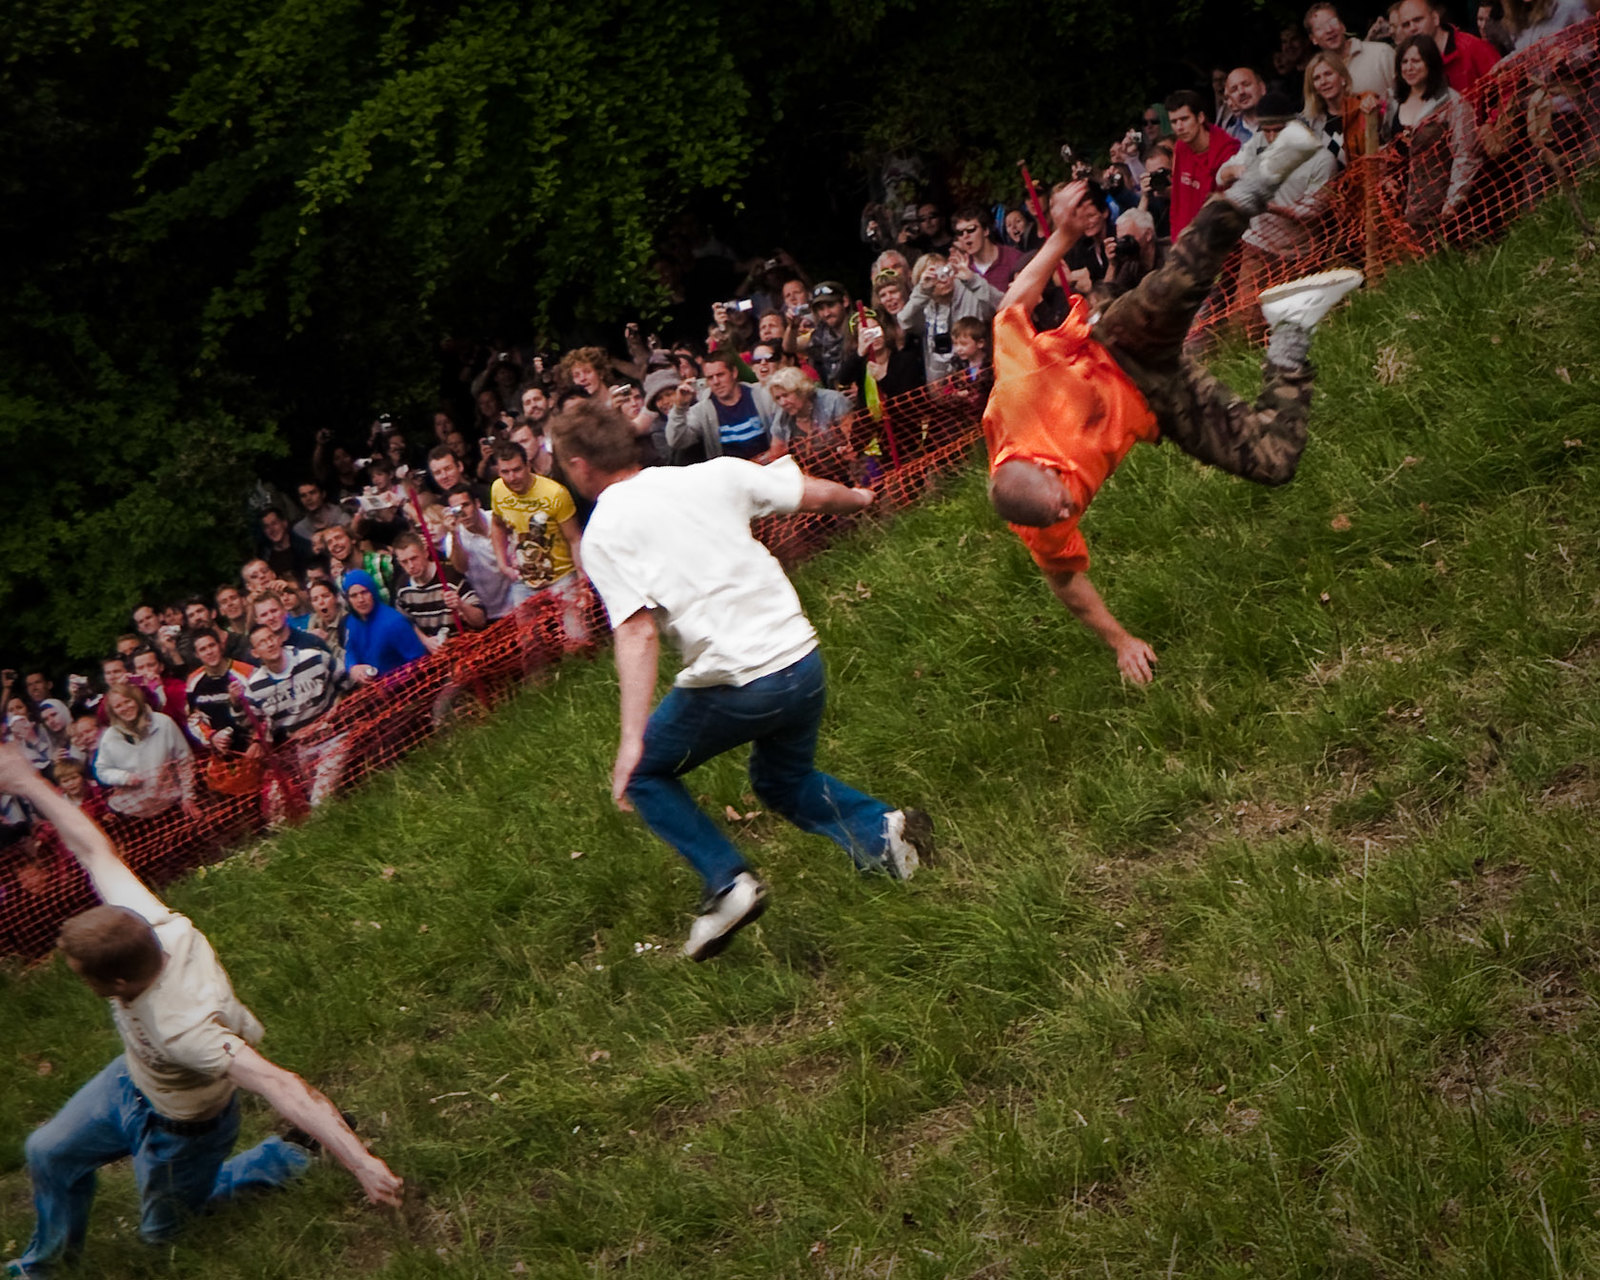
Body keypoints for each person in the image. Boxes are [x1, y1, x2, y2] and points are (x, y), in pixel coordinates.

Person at [548, 400, 935, 961]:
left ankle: (728, 884)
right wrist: (862, 497)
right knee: (781, 779)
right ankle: (883, 835)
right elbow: (808, 492)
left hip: (741, 682)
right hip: (803, 662)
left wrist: (631, 740)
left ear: (579, 466)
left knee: (646, 773)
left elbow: (637, 634)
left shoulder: (603, 531)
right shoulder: (712, 474)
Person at [0, 746, 400, 1279]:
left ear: (116, 983)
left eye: (78, 973)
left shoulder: (185, 1029)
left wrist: (362, 1164)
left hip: (183, 1126)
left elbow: (280, 1085)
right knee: (46, 1152)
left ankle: (287, 1155)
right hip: (130, 1081)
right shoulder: (146, 923)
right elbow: (95, 850)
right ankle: (42, 1268)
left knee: (164, 1234)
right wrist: (27, 782)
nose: (73, 977)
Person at [983, 127, 1362, 686]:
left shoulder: (1020, 393)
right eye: (1064, 515)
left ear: (1044, 467)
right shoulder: (1040, 524)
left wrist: (1062, 234)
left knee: (1188, 271)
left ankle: (1269, 168)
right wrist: (1120, 641)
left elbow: (1014, 301)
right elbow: (1067, 585)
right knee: (1273, 461)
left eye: (1064, 500)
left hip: (1117, 344)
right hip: (1158, 407)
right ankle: (1292, 325)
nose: (1071, 513)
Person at [1381, 35, 1483, 247]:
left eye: (1416, 61)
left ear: (1431, 63)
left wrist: (1453, 201)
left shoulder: (1451, 103)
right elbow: (1385, 148)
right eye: (1405, 62)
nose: (1409, 67)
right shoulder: (1393, 104)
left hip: (1442, 210)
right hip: (1401, 209)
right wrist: (1386, 179)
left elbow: (1466, 154)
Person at [92, 685, 199, 821]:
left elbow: (185, 761)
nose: (125, 708)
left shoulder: (163, 723)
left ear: (137, 700)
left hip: (169, 804)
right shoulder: (110, 737)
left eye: (128, 701)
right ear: (113, 712)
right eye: (118, 706)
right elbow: (102, 771)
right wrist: (124, 777)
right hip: (130, 811)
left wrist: (188, 797)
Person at [488, 441, 583, 594]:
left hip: (561, 577)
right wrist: (502, 564)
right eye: (505, 472)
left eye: (517, 470)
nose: (512, 477)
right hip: (523, 579)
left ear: (528, 466)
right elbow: (497, 524)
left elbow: (574, 538)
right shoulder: (498, 489)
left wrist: (581, 579)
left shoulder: (555, 493)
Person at [665, 352, 786, 462]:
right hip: (730, 478)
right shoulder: (702, 410)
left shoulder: (761, 394)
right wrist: (679, 407)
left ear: (734, 373)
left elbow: (785, 425)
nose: (716, 382)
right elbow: (676, 441)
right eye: (710, 378)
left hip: (770, 465)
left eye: (720, 375)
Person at [439, 484, 533, 621]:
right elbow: (461, 567)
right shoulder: (453, 539)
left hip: (521, 596)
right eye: (457, 510)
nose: (463, 513)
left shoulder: (498, 520)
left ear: (477, 503)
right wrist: (454, 534)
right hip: (492, 611)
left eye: (466, 505)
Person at [1167, 89, 1242, 238]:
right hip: (1184, 241)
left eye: (1184, 119)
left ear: (1200, 117)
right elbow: (1177, 199)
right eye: (1174, 122)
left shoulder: (1228, 151)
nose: (1179, 127)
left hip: (1215, 243)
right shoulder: (1181, 147)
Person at [391, 531, 485, 644]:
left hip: (463, 645)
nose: (411, 566)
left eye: (414, 558)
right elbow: (405, 623)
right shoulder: (403, 588)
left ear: (425, 552)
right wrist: (425, 640)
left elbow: (480, 621)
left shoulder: (450, 577)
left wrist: (461, 605)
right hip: (433, 652)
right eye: (404, 562)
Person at [1396, 0, 1501, 91]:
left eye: (1418, 20)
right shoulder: (1406, 65)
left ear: (1435, 18)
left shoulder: (1472, 47)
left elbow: (1505, 88)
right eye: (1406, 25)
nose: (1412, 28)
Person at [341, 572, 428, 681]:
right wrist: (353, 667)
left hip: (402, 689)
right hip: (372, 691)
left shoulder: (394, 622)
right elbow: (350, 649)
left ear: (372, 592)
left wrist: (389, 682)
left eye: (364, 592)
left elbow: (419, 661)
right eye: (354, 596)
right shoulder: (351, 621)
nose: (360, 600)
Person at [1306, 1, 1398, 97]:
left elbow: (1406, 94)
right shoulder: (1319, 75)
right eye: (1320, 28)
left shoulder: (1381, 54)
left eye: (1333, 22)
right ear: (1313, 39)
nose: (1329, 30)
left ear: (1343, 26)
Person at [949, 206, 1026, 293]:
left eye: (971, 229)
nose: (965, 236)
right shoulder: (961, 269)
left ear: (986, 230)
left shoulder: (1015, 259)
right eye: (960, 233)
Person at [1222, 67, 1270, 143]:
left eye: (1246, 84)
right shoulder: (1230, 137)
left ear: (1262, 88)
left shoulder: (1285, 123)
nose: (1241, 92)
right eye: (1234, 89)